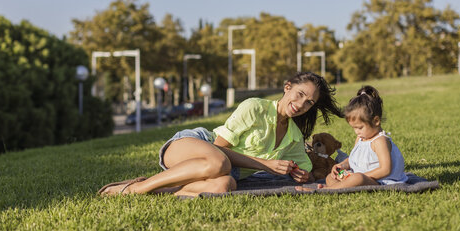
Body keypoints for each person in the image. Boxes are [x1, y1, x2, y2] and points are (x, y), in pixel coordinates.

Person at [98, 72, 343, 197]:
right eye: (299, 94)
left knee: (226, 184)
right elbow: (218, 147)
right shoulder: (255, 107)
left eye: (309, 102)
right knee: (219, 163)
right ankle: (137, 189)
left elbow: (309, 175)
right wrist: (266, 165)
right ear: (287, 87)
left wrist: (301, 175)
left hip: (223, 170)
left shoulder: (293, 136)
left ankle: (163, 191)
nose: (301, 104)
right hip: (196, 144)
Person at [316, 85, 408, 189]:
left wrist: (358, 177)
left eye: (360, 128)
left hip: (381, 181)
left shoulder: (380, 141)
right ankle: (340, 187)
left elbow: (385, 170)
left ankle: (329, 189)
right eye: (354, 128)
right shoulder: (361, 138)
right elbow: (353, 160)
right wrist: (341, 166)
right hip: (359, 176)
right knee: (330, 177)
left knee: (357, 179)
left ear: (376, 121)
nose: (356, 132)